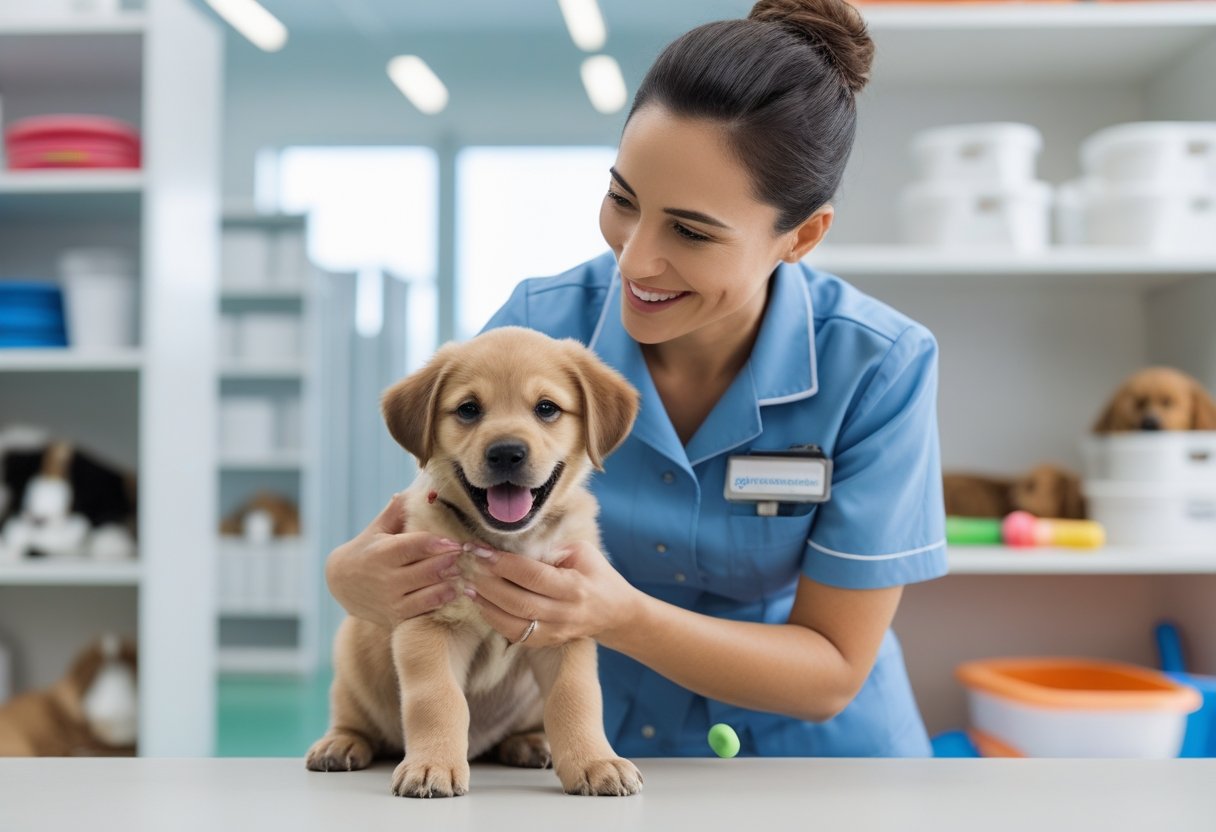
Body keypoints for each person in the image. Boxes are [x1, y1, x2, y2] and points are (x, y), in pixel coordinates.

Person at [324, 0, 948, 758]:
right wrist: (351, 577)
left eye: (689, 230)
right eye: (623, 199)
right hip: (597, 753)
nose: (636, 259)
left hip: (815, 765)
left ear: (802, 235)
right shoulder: (539, 325)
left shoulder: (878, 367)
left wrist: (617, 616)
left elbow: (832, 671)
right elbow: (439, 514)